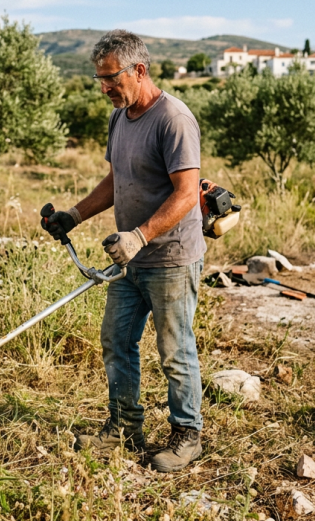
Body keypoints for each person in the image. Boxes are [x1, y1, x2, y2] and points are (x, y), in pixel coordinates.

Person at [41, 29, 205, 473]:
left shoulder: (173, 118)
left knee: (174, 350)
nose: (104, 88)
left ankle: (187, 436)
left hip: (169, 257)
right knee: (117, 341)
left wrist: (140, 235)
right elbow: (117, 181)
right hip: (128, 259)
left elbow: (187, 194)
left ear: (139, 70)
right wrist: (74, 215)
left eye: (111, 78)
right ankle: (125, 427)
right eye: (99, 79)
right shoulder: (120, 117)